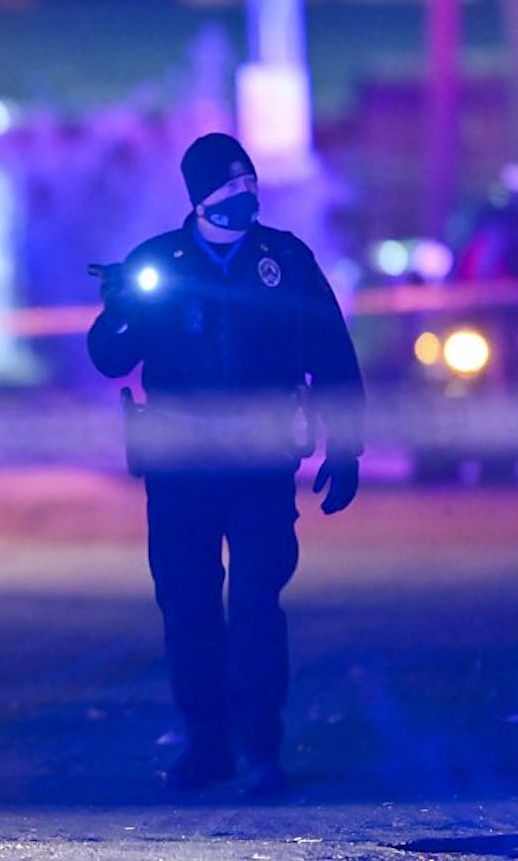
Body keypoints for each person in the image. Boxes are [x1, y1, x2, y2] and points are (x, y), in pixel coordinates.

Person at [87, 133, 364, 797]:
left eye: (251, 186)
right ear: (200, 196)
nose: (245, 198)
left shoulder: (285, 260)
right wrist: (121, 311)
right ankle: (205, 744)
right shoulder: (159, 262)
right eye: (229, 188)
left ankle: (261, 747)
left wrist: (346, 445)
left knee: (256, 603)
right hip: (180, 464)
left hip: (262, 461)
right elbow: (109, 358)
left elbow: (332, 353)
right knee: (187, 606)